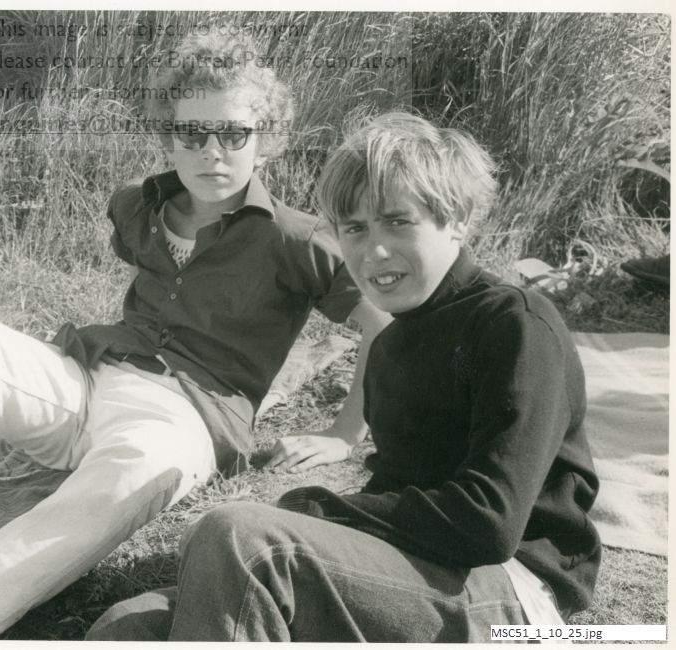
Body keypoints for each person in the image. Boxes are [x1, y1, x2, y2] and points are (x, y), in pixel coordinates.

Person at [0, 31, 389, 640]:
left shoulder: (296, 240)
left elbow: (381, 324)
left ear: (268, 139)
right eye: (192, 133)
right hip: (89, 377)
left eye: (234, 133)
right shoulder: (137, 207)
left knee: (136, 469)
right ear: (168, 136)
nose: (212, 152)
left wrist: (343, 434)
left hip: (186, 420)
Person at [88, 112, 602, 642]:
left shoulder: (513, 324)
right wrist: (324, 522)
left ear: (458, 219)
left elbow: (489, 523)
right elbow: (400, 490)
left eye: (398, 222)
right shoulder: (396, 339)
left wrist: (320, 508)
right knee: (127, 627)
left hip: (514, 594)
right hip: (413, 572)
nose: (373, 251)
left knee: (241, 538)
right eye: (354, 229)